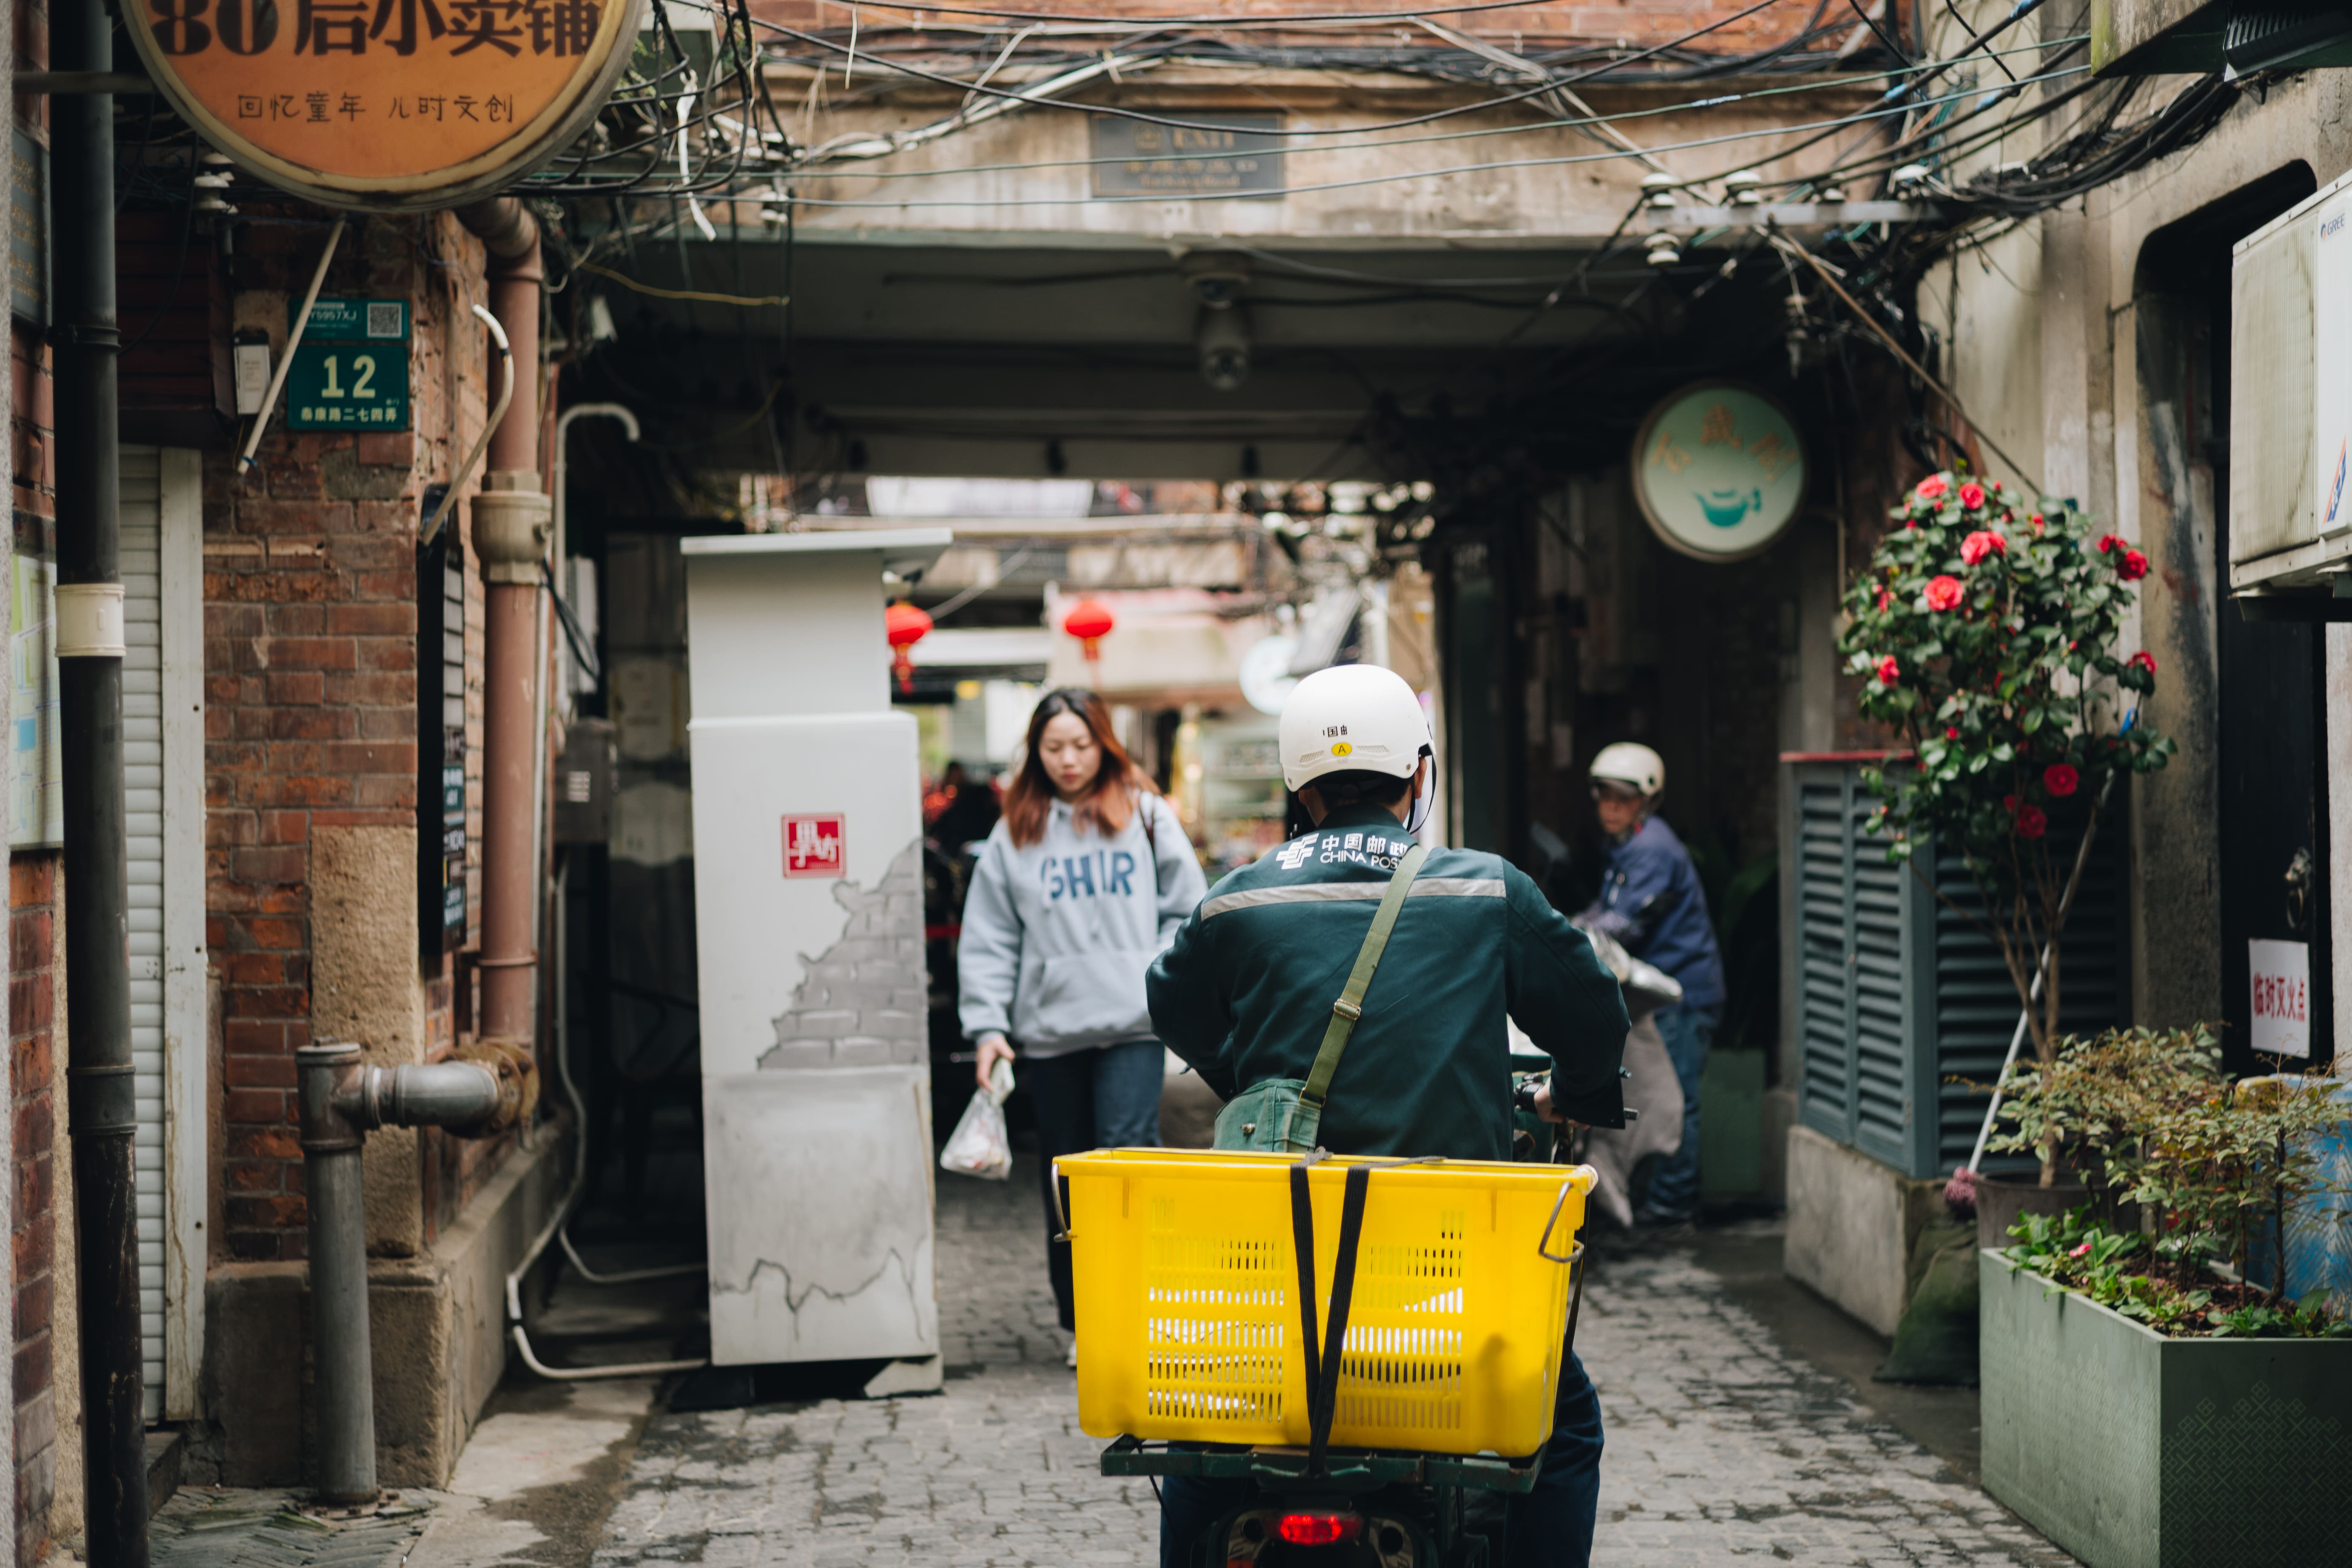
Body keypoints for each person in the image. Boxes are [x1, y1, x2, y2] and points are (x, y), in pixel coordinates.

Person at [1146, 663, 1631, 1568]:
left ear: (1300, 786)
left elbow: (1170, 1006)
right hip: (1443, 1288)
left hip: (1280, 1283)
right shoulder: (1484, 889)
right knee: (1562, 1428)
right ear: (1417, 776)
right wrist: (1580, 1094)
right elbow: (1594, 1009)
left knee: (1202, 1450)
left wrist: (1253, 1078)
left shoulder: (1238, 899)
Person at [958, 688, 1207, 1363]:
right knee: (1066, 1177)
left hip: (1130, 1024)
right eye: (1054, 747)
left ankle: (1133, 1305)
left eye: (1081, 743)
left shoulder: (1147, 815)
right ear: (1036, 753)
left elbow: (1191, 910)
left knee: (1127, 1165)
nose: (1069, 759)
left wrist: (1149, 971)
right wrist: (987, 1025)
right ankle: (1081, 1320)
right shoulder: (1017, 833)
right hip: (1051, 1030)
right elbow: (989, 937)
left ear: (1103, 742)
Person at [1578, 742, 1725, 1230]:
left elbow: (1622, 923)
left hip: (1682, 994)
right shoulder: (1624, 848)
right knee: (1660, 1097)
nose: (1611, 807)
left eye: (1623, 798)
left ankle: (1672, 1205)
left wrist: (1568, 929)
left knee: (1676, 1100)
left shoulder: (1652, 848)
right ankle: (1661, 1196)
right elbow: (1605, 914)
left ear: (1647, 800)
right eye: (1604, 796)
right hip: (1656, 994)